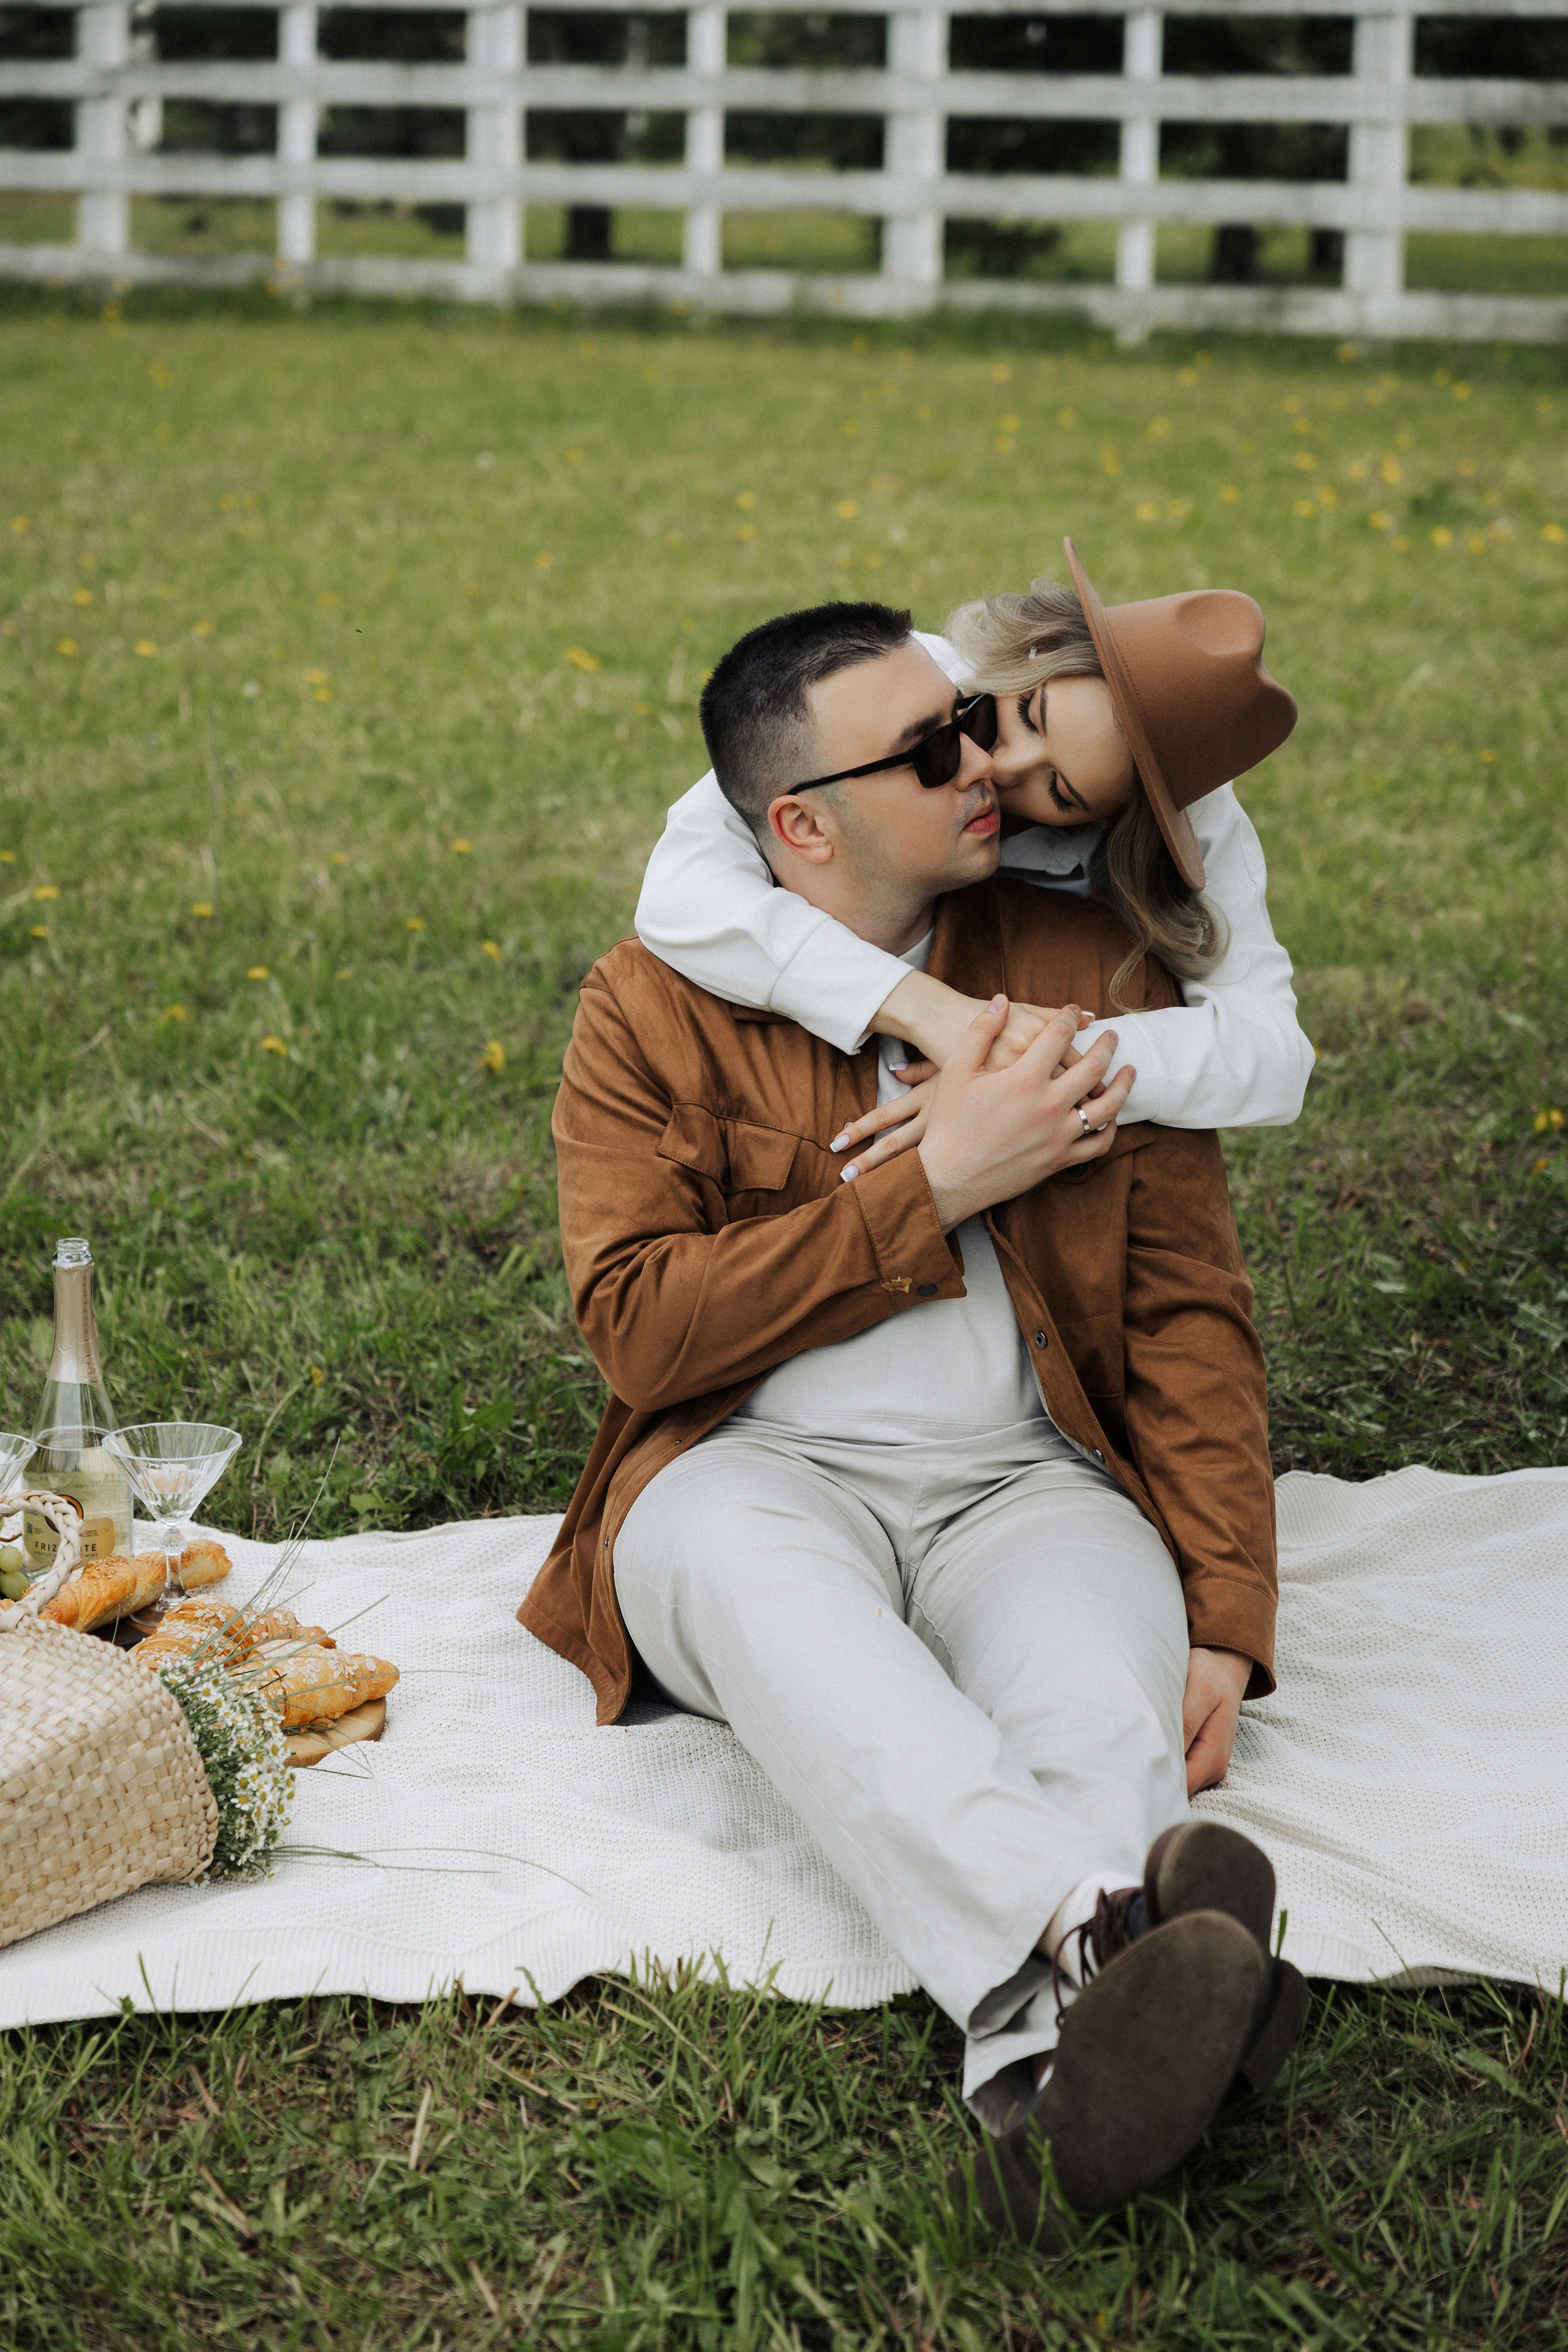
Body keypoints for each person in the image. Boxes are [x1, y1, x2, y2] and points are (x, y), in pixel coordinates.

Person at [520, 578, 1306, 2237]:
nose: (983, 764)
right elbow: (640, 1332)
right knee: (808, 1644)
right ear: (801, 826)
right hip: (742, 1473)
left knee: (1098, 1702)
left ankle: (1053, 2071)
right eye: (932, 747)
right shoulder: (647, 1002)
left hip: (1030, 1479)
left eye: (972, 721)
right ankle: (1116, 1939)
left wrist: (1226, 1614)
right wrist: (934, 1181)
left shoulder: (1085, 965)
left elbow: (1183, 1308)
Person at [635, 540, 1313, 1175]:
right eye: (1024, 716)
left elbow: (1271, 1055)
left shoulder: (1191, 810)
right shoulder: (900, 688)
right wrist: (926, 1010)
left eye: (1062, 792)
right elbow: (681, 893)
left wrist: (1031, 1074)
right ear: (1027, 653)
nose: (996, 766)